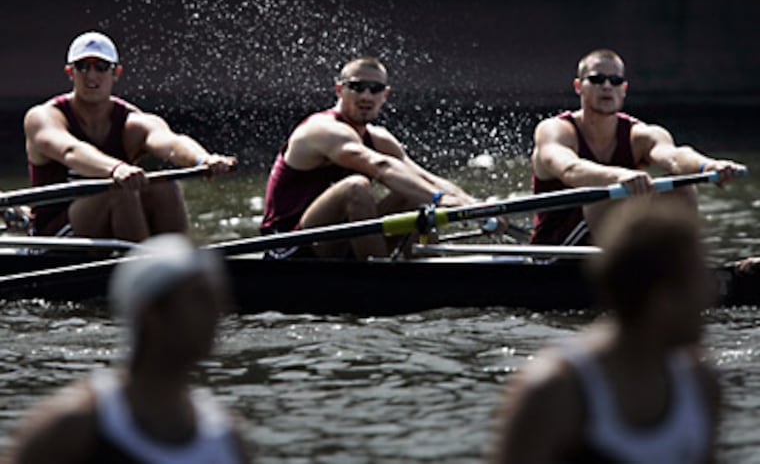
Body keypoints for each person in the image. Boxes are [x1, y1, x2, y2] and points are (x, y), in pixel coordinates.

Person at [490, 200, 721, 464]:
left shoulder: (701, 384)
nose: (709, 295)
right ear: (661, 300)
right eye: (700, 280)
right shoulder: (551, 392)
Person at [7, 234, 251, 463]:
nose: (219, 314)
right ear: (151, 315)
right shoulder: (75, 424)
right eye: (200, 299)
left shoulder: (226, 437)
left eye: (218, 300)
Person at [260, 56, 496, 259]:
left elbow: (424, 177)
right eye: (357, 87)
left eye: (375, 89)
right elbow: (379, 166)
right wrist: (440, 201)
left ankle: (424, 267)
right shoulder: (323, 129)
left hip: (338, 241)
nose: (366, 95)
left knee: (414, 194)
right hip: (287, 247)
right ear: (339, 90)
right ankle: (381, 277)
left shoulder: (379, 137)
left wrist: (475, 206)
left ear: (385, 95)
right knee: (356, 187)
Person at [23, 31, 237, 241]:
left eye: (101, 67)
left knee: (164, 185)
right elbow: (70, 151)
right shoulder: (43, 117)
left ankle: (177, 265)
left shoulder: (132, 121)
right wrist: (117, 169)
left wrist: (203, 160)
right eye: (82, 67)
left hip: (112, 221)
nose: (91, 76)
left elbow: (171, 143)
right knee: (119, 191)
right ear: (70, 72)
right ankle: (144, 268)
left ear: (116, 73)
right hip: (53, 236)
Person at [530, 48, 743, 245]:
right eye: (597, 79)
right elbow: (569, 169)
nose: (606, 86)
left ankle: (673, 264)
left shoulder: (639, 134)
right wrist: (620, 177)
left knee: (682, 188)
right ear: (578, 87)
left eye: (615, 81)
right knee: (607, 195)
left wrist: (708, 166)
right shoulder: (555, 130)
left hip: (617, 250)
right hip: (556, 250)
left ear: (623, 89)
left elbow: (674, 157)